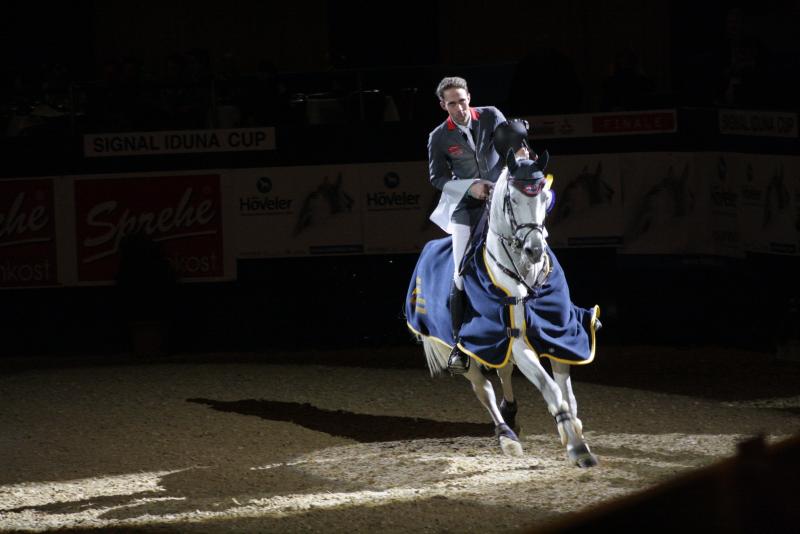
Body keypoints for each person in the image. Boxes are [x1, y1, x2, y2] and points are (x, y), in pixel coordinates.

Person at [427, 76, 528, 374]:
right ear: (443, 105)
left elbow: (513, 142)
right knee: (460, 272)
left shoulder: (490, 115)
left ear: (469, 96)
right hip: (467, 207)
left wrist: (522, 153)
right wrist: (470, 186)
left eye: (463, 100)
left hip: (502, 199)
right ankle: (459, 346)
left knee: (535, 241)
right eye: (452, 103)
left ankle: (564, 317)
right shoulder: (439, 137)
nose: (460, 108)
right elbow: (437, 178)